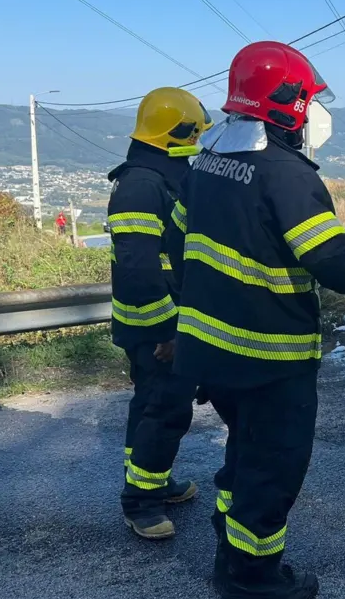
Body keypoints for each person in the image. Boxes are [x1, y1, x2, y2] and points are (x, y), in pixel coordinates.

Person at [126, 41, 345, 598]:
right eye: (307, 100)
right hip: (270, 357)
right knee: (273, 466)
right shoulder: (285, 173)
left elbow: (177, 244)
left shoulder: (206, 163)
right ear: (286, 103)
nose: (311, 111)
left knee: (245, 453)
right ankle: (250, 577)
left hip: (210, 353)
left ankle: (230, 550)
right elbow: (337, 266)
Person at [110, 87, 213, 540]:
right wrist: (168, 332)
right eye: (194, 134)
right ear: (176, 132)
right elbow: (138, 268)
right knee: (164, 411)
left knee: (152, 406)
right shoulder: (143, 184)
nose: (197, 141)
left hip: (162, 319)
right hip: (156, 325)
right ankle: (142, 503)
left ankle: (151, 480)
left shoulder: (159, 176)